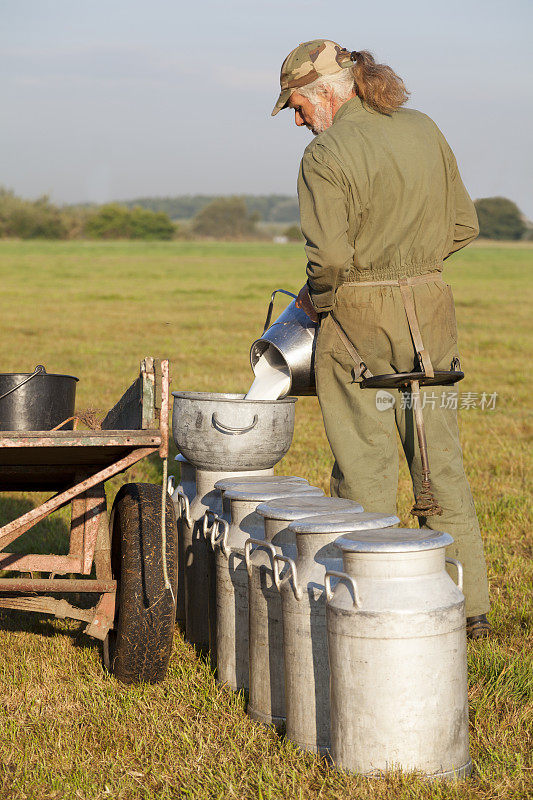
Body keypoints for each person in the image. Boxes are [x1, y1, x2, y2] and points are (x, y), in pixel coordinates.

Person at [272, 39, 490, 638]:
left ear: (325, 92)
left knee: (363, 467)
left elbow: (331, 261)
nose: (297, 119)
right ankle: (468, 607)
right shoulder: (424, 128)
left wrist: (323, 298)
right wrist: (410, 265)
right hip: (432, 306)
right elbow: (465, 225)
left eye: (296, 105)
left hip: (358, 315)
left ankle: (371, 605)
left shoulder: (325, 155)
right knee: (439, 461)